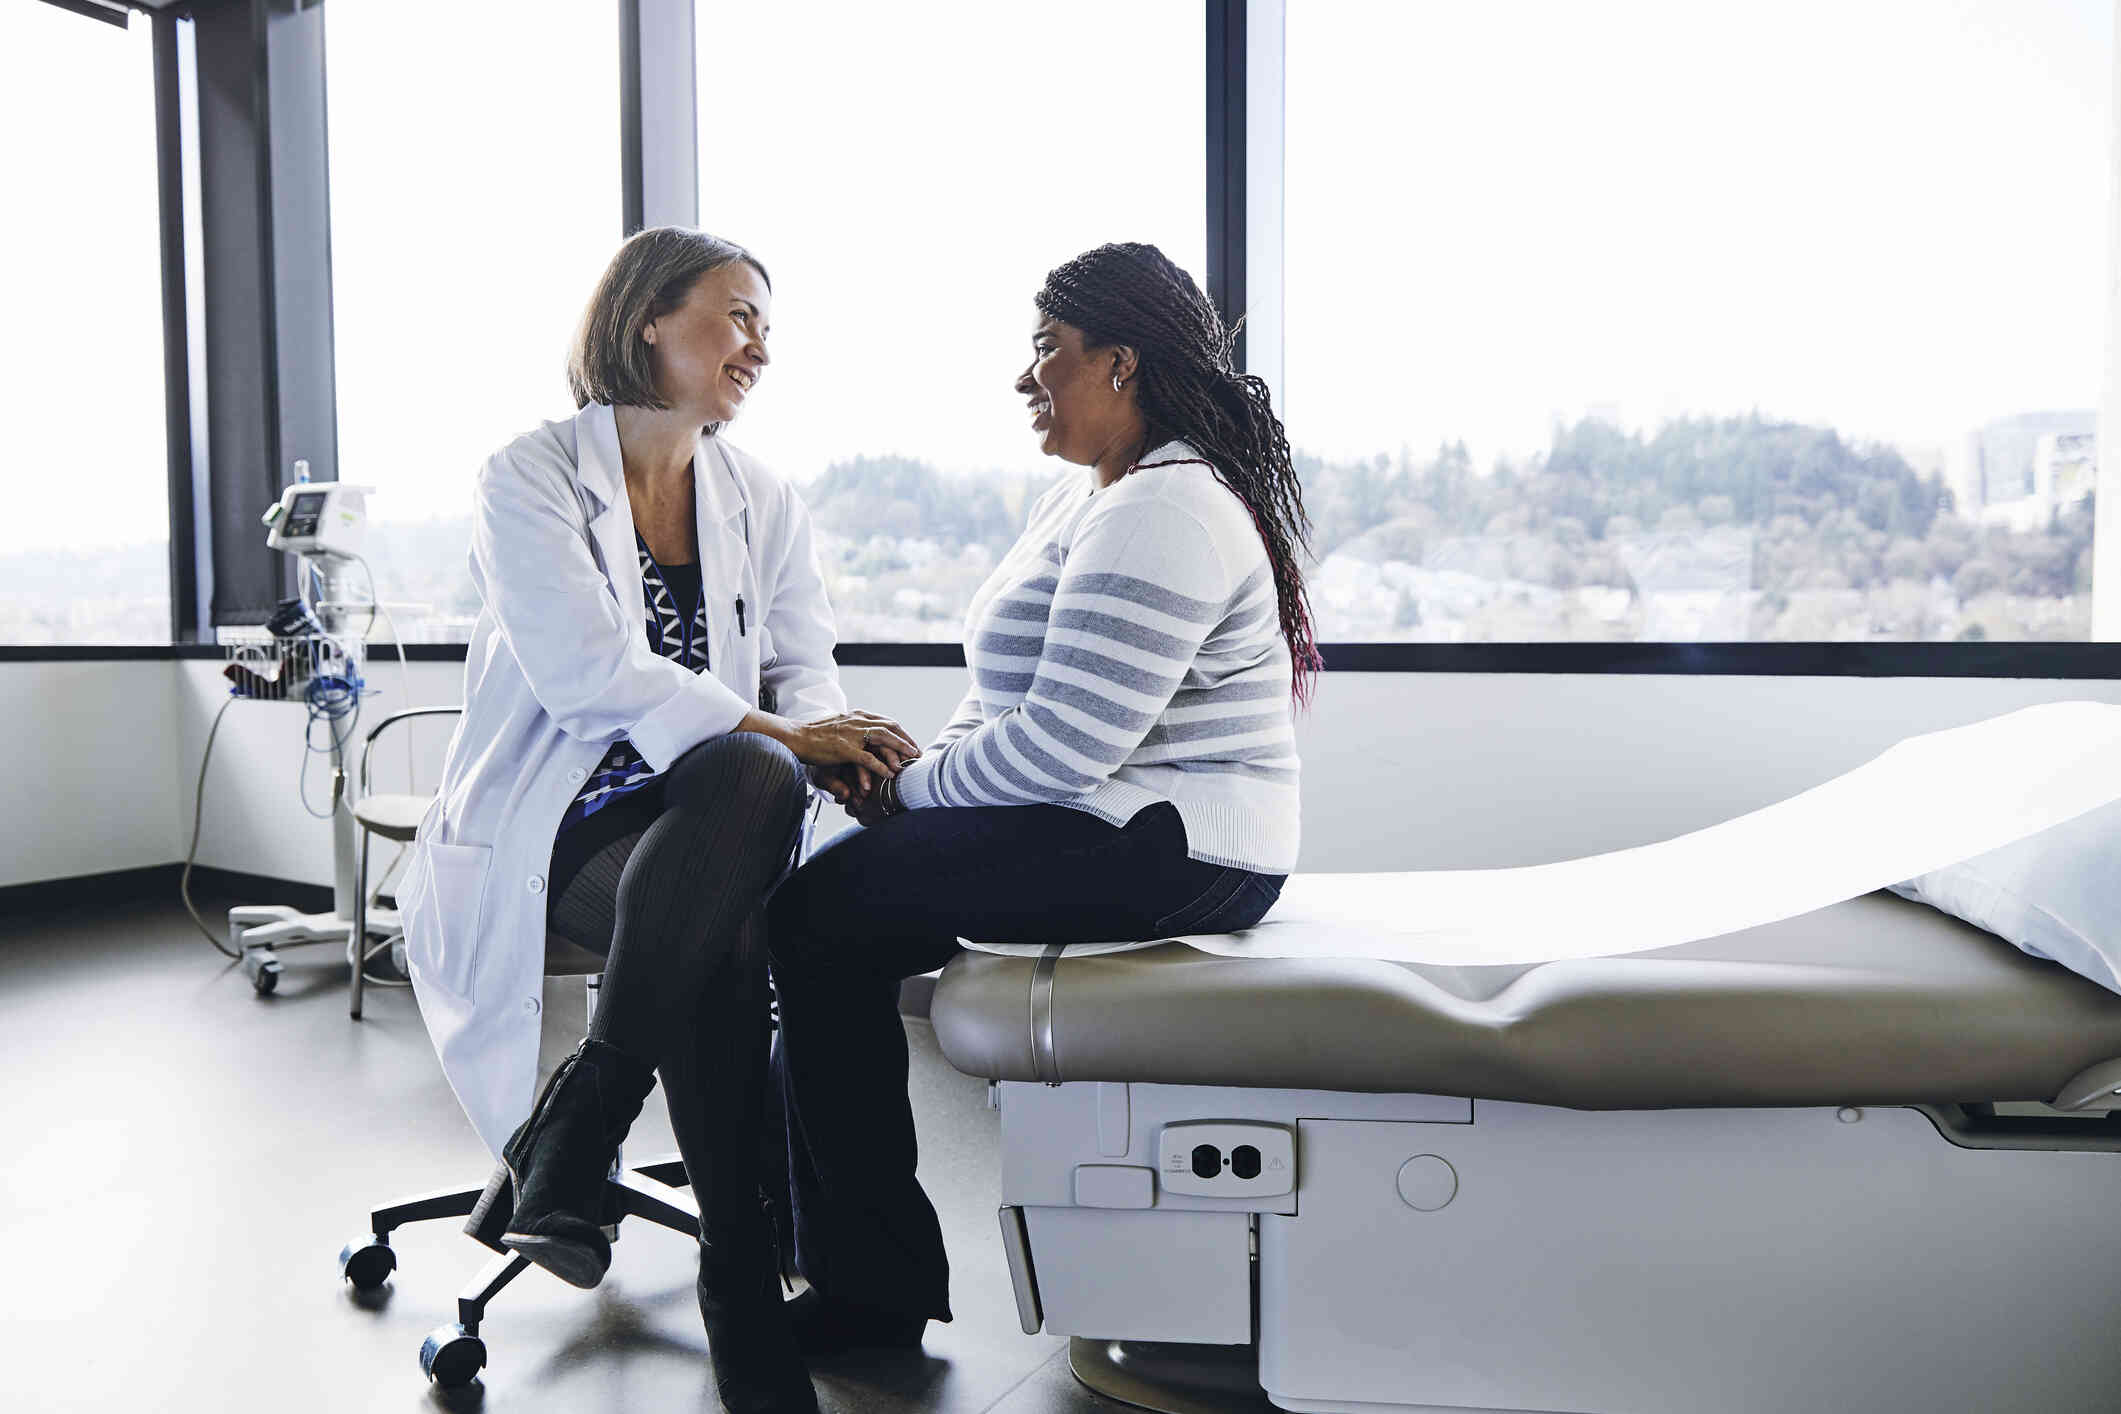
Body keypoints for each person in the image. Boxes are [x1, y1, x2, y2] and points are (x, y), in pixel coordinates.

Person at [762, 241, 1318, 1357]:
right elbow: (1002, 705)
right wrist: (909, 778)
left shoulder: (1166, 511)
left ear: (1120, 364)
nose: (1027, 379)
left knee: (817, 919)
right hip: (1108, 823)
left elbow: (1064, 746)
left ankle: (864, 1286)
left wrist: (908, 793)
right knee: (825, 907)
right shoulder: (1090, 501)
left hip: (1177, 847)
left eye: (1045, 353)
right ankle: (835, 1251)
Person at [397, 226, 917, 1414]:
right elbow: (587, 673)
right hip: (556, 824)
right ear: (646, 320)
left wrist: (829, 738)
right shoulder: (528, 476)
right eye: (738, 317)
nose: (759, 350)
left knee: (742, 798)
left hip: (706, 819)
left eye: (768, 330)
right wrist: (791, 740)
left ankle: (583, 1125)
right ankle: (736, 1275)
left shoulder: (761, 493)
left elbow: (806, 662)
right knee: (735, 851)